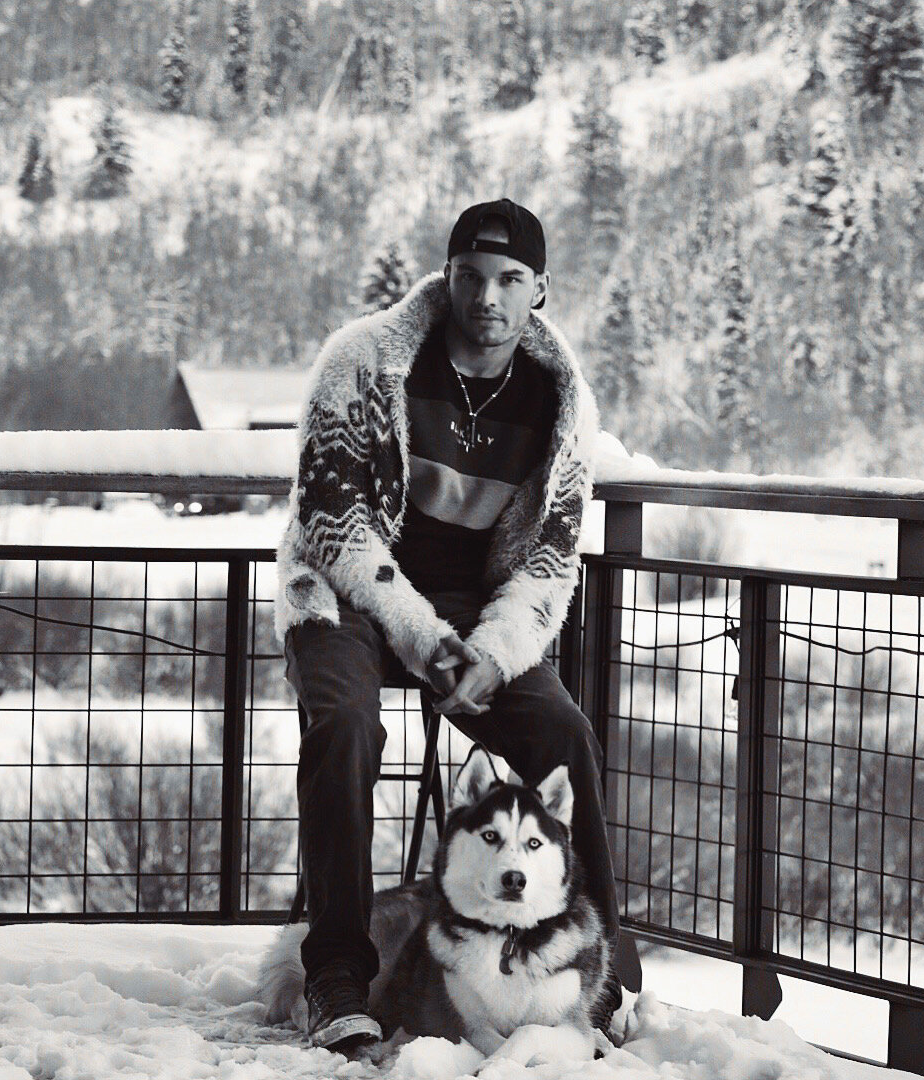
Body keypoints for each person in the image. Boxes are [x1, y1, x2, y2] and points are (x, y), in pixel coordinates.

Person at [274, 198, 636, 1055]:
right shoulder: (364, 361)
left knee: (561, 730)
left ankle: (601, 966)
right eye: (470, 276)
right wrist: (427, 643)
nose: (487, 297)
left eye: (510, 279)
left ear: (539, 290)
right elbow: (333, 524)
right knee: (345, 723)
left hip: (478, 611)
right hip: (346, 594)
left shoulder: (561, 403)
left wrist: (496, 654)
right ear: (446, 276)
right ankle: (336, 974)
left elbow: (549, 560)